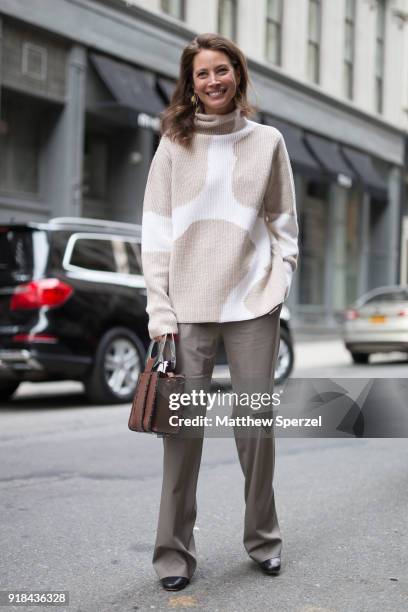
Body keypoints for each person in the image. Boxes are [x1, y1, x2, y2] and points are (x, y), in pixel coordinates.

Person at [141, 32, 299, 592]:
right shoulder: (173, 144)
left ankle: (263, 539)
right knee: (182, 432)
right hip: (188, 307)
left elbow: (283, 222)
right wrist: (160, 310)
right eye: (202, 73)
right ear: (191, 83)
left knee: (256, 427)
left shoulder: (267, 142)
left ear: (238, 74)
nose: (213, 81)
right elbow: (156, 234)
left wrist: (279, 278)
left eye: (222, 70)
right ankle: (173, 555)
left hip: (252, 301)